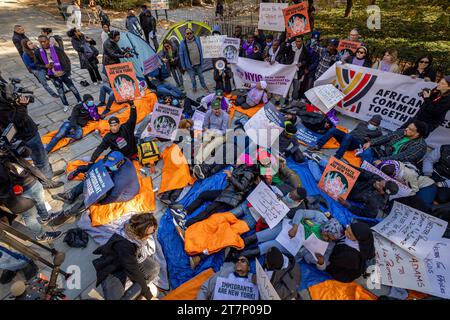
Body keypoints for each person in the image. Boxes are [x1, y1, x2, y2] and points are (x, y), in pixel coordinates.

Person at [0, 90, 64, 182]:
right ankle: (47, 181)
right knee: (40, 160)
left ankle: (49, 173)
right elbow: (17, 122)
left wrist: (16, 103)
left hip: (29, 131)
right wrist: (22, 106)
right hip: (27, 136)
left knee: (43, 156)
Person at [92, 213, 160, 300]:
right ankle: (138, 290)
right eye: (147, 234)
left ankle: (138, 290)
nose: (149, 236)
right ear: (139, 233)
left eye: (152, 232)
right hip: (113, 270)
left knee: (153, 268)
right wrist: (149, 296)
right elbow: (133, 271)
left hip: (130, 262)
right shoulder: (124, 246)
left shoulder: (131, 227)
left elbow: (132, 266)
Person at [171, 163, 258, 229]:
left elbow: (242, 187)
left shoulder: (249, 173)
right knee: (204, 195)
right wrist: (230, 178)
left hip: (231, 198)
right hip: (227, 192)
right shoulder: (243, 168)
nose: (237, 161)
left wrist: (231, 177)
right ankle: (185, 212)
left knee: (208, 210)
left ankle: (186, 224)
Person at [0, 153, 62, 242]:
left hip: (29, 179)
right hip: (18, 191)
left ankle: (45, 217)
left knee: (40, 199)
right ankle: (41, 236)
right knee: (29, 216)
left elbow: (25, 151)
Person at [34, 35, 82, 112]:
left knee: (72, 87)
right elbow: (36, 64)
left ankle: (79, 100)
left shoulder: (57, 49)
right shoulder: (37, 52)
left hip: (63, 73)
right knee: (60, 91)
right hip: (53, 75)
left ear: (48, 41)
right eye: (41, 42)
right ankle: (65, 104)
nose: (43, 43)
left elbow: (66, 60)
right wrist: (45, 66)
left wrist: (67, 71)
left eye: (44, 41)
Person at [308, 115, 383, 159]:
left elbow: (375, 145)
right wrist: (344, 135)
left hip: (355, 144)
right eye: (371, 123)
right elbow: (353, 131)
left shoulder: (378, 133)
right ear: (369, 121)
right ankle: (318, 146)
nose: (372, 125)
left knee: (349, 136)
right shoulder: (362, 124)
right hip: (347, 138)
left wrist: (369, 141)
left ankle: (337, 157)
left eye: (375, 124)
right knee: (334, 130)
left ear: (378, 125)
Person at [360, 120, 428, 166]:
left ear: (417, 134)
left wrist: (383, 160)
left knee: (373, 161)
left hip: (396, 164)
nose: (406, 129)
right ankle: (365, 166)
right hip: (384, 154)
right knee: (367, 150)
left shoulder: (420, 146)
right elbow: (387, 137)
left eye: (410, 129)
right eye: (408, 127)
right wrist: (371, 142)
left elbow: (402, 157)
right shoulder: (402, 132)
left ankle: (366, 167)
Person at [195, 100, 229, 164]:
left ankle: (198, 161)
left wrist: (214, 133)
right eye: (215, 109)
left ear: (220, 108)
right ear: (212, 109)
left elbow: (224, 131)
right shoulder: (208, 113)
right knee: (204, 143)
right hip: (210, 131)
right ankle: (198, 159)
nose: (217, 110)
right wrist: (208, 131)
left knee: (211, 144)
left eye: (218, 108)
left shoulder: (225, 116)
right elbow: (204, 125)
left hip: (221, 134)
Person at [179, 28, 209, 93]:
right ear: (185, 34)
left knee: (201, 76)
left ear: (193, 33)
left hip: (198, 63)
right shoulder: (182, 43)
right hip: (190, 66)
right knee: (192, 78)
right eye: (187, 33)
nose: (189, 34)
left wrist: (205, 38)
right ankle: (194, 87)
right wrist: (183, 67)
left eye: (190, 33)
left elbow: (203, 41)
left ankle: (204, 86)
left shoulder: (197, 39)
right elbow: (181, 55)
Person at [283, 36, 311, 101]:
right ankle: (285, 100)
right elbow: (283, 51)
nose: (298, 43)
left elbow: (307, 60)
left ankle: (294, 101)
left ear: (302, 41)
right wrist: (286, 41)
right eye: (296, 41)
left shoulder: (305, 50)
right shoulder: (290, 47)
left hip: (298, 71)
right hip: (289, 70)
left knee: (296, 88)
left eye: (299, 41)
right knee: (287, 86)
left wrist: (301, 63)